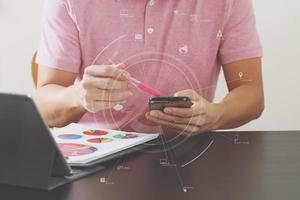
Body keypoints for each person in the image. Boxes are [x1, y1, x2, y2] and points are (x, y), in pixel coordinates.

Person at [35, 0, 264, 135]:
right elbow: (45, 106)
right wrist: (79, 96)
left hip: (186, 155)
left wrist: (214, 115)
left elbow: (251, 95)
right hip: (95, 153)